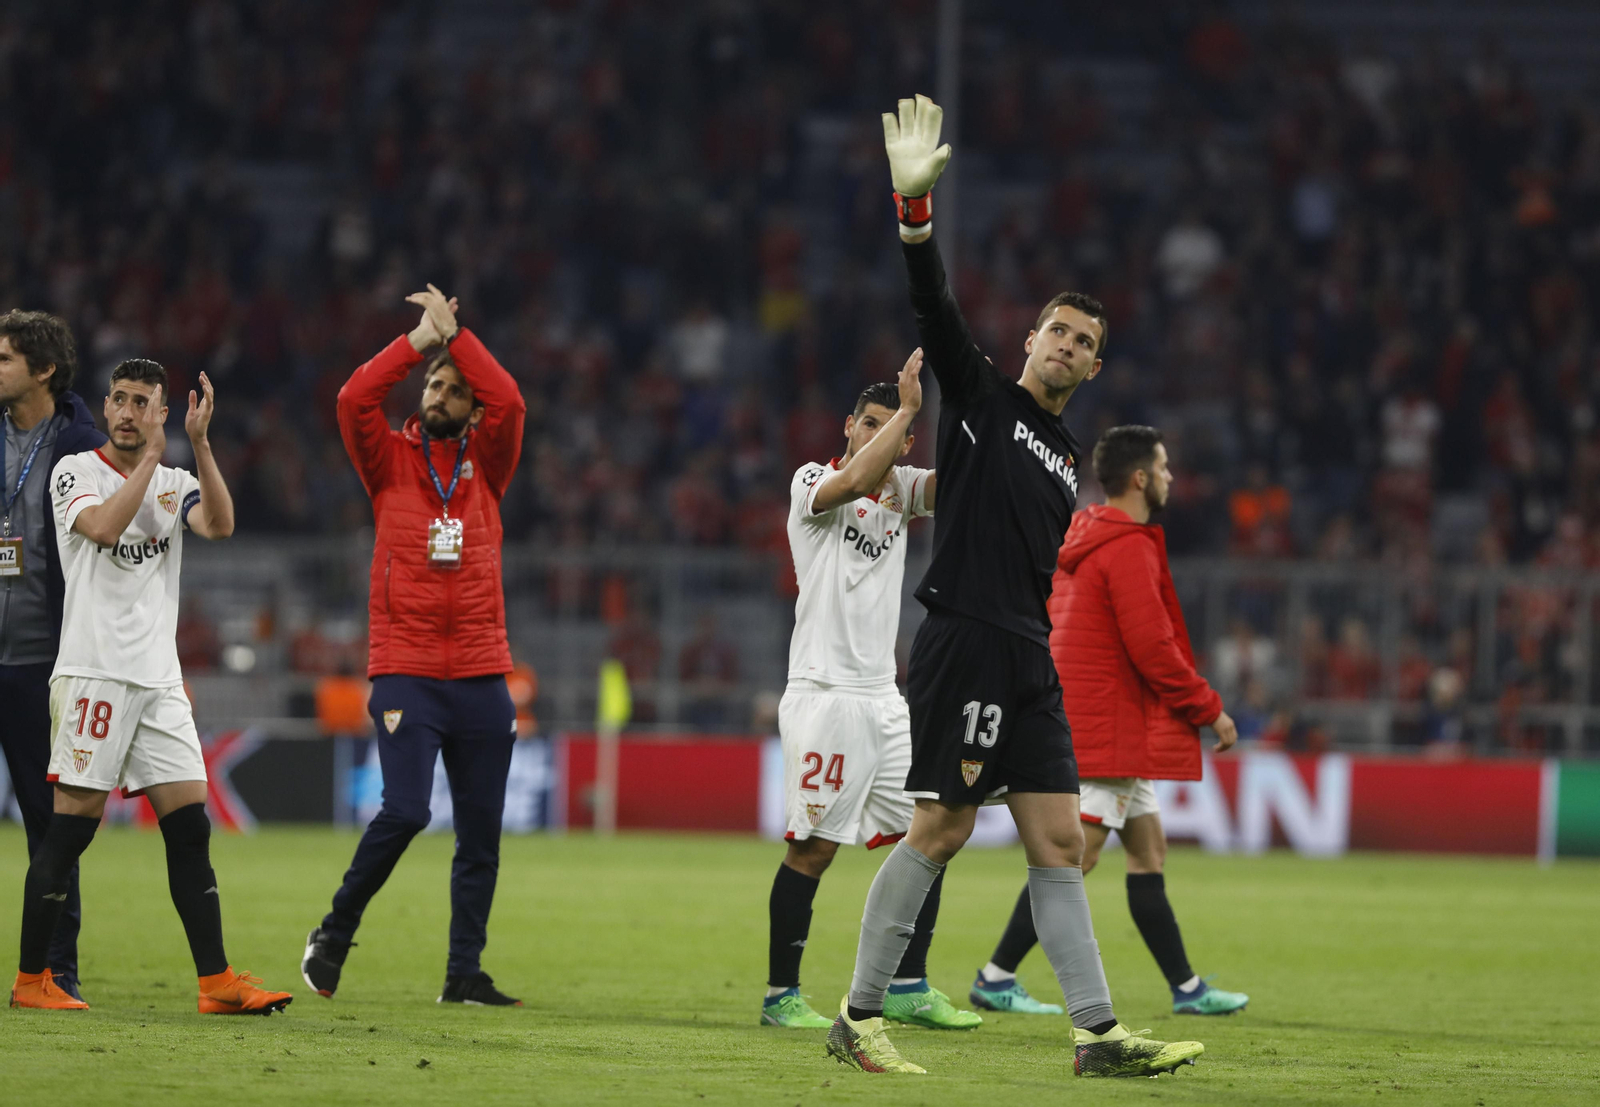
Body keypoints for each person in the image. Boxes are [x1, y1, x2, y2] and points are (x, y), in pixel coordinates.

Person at [824, 95, 1203, 1078]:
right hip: (968, 642)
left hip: (1027, 656)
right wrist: (915, 215)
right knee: (941, 830)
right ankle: (858, 1016)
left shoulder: (1064, 447)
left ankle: (1095, 1035)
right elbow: (932, 307)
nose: (1066, 347)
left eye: (1083, 341)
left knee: (1056, 840)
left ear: (1095, 362)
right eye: (1055, 333)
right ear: (1029, 341)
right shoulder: (984, 400)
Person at [764, 353, 1063, 1030]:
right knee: (813, 848)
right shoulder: (812, 481)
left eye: (889, 430)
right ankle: (781, 994)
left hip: (884, 699)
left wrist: (991, 400)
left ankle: (908, 984)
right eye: (864, 423)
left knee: (928, 832)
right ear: (848, 426)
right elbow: (855, 480)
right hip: (824, 692)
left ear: (904, 445)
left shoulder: (900, 486)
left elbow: (969, 479)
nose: (873, 436)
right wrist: (905, 411)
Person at [12, 357, 292, 1014]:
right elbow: (105, 529)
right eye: (120, 399)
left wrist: (198, 445)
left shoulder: (173, 480)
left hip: (159, 680)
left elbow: (218, 524)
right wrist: (152, 465)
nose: (128, 411)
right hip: (94, 676)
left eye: (143, 401)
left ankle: (216, 981)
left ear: (162, 411)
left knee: (190, 827)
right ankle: (31, 980)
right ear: (105, 408)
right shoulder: (73, 471)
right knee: (71, 831)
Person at [973, 426, 1249, 1017]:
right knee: (1073, 857)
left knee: (1148, 853)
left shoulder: (1080, 535)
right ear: (1141, 477)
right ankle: (995, 976)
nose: (1172, 477)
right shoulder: (1127, 546)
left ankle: (1187, 988)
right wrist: (1209, 709)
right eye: (1165, 466)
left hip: (1100, 717)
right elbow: (1153, 648)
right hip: (1109, 727)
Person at [302, 284, 527, 1006]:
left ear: (473, 409)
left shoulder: (488, 463)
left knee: (481, 837)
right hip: (405, 670)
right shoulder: (387, 460)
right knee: (405, 810)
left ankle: (463, 974)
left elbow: (513, 401)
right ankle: (334, 932)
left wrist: (458, 339)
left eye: (455, 388)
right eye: (434, 382)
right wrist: (421, 341)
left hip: (484, 672)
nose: (440, 390)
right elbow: (351, 400)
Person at [0, 310, 104, 1002]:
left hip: (42, 661)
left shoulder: (81, 445)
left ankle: (53, 965)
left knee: (48, 819)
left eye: (6, 358)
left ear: (44, 369)